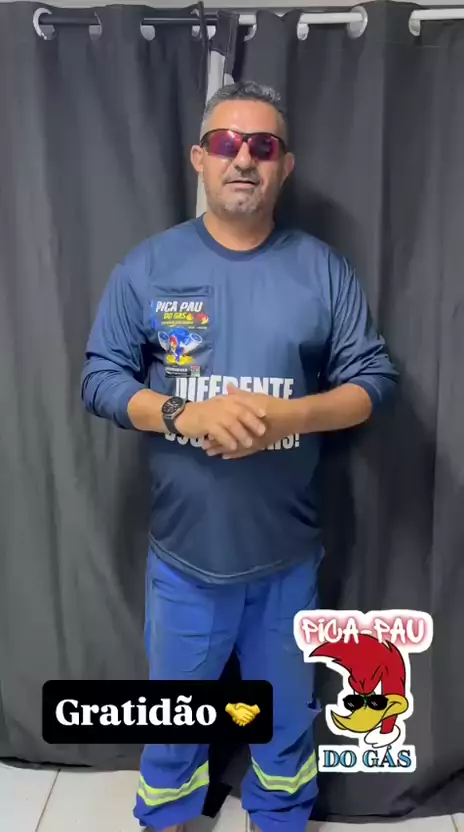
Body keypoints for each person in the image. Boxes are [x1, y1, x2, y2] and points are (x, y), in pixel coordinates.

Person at [81, 80, 399, 832]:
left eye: (262, 145)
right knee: (174, 725)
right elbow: (100, 378)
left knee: (285, 726)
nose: (243, 159)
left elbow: (375, 382)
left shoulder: (322, 269)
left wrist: (289, 415)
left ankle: (280, 817)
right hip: (184, 558)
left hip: (287, 558)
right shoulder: (148, 267)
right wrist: (182, 414)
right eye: (226, 143)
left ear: (285, 165)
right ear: (200, 158)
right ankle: (168, 818)